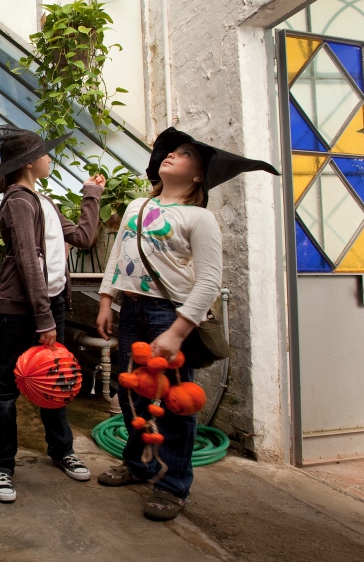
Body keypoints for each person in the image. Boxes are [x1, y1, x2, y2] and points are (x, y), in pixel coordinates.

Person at [95, 127, 277, 521]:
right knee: (132, 395)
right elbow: (116, 256)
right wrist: (107, 300)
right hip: (133, 313)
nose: (171, 155)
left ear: (199, 175)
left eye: (184, 154)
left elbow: (210, 281)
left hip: (170, 313)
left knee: (175, 406)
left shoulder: (200, 218)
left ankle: (173, 483)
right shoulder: (135, 207)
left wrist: (177, 332)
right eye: (170, 151)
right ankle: (139, 463)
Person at [0, 126, 105, 503]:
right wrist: (43, 318)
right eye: (45, 153)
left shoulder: (42, 201)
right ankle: (0, 466)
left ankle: (61, 450)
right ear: (29, 161)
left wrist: (92, 196)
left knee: (55, 379)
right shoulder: (17, 201)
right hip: (23, 309)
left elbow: (83, 238)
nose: (49, 157)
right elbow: (28, 260)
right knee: (8, 386)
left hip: (51, 303)